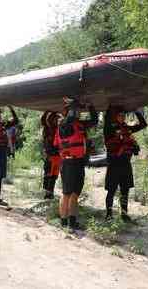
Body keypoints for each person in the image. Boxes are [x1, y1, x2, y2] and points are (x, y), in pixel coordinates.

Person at [54, 97, 98, 229]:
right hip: (68, 163)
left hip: (79, 163)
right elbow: (71, 117)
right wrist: (74, 104)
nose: (77, 113)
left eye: (77, 111)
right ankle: (63, 221)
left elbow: (94, 120)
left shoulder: (80, 124)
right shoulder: (63, 125)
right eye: (74, 111)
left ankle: (72, 222)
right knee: (67, 193)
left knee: (75, 194)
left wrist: (90, 106)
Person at [104, 106, 147, 222]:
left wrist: (137, 112)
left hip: (126, 164)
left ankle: (124, 214)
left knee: (125, 190)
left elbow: (143, 125)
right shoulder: (109, 128)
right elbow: (107, 118)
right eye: (120, 115)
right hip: (114, 164)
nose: (122, 117)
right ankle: (108, 215)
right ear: (115, 117)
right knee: (111, 190)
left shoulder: (127, 128)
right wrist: (109, 109)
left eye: (123, 115)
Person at [41, 111, 62, 199]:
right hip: (50, 156)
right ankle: (46, 193)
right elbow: (43, 120)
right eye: (55, 119)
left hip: (57, 157)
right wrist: (46, 112)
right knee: (48, 175)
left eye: (57, 119)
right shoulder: (47, 128)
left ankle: (50, 193)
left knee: (54, 176)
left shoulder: (59, 129)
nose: (56, 121)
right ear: (51, 119)